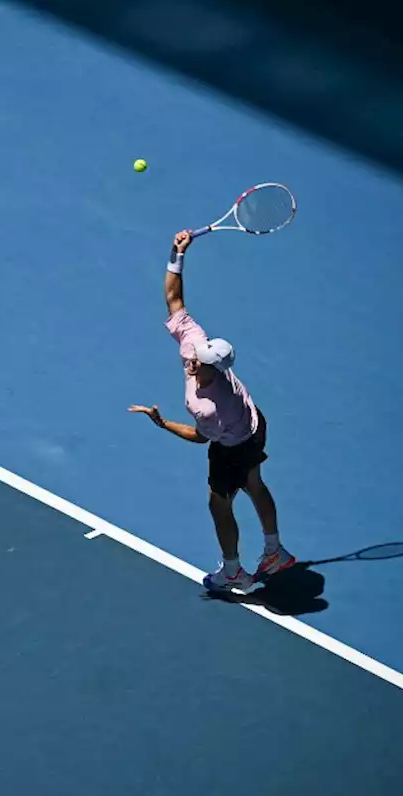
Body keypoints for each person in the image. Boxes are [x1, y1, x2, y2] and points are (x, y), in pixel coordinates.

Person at [129, 229, 295, 592]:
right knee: (254, 482)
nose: (191, 363)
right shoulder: (196, 343)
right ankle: (274, 552)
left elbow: (198, 438)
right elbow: (174, 300)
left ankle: (233, 570)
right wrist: (177, 253)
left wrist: (162, 423)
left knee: (219, 503)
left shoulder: (207, 407)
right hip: (255, 420)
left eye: (199, 363)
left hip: (234, 442)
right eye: (195, 357)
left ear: (214, 369)